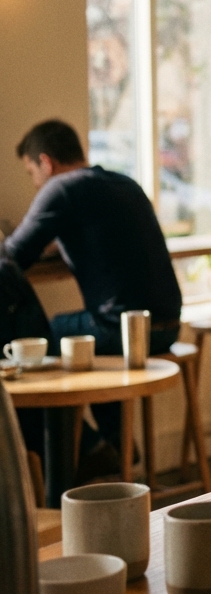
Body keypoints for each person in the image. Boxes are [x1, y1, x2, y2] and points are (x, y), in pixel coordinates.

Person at [2, 119, 181, 470]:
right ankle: (115, 439)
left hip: (126, 333)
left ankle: (88, 448)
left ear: (46, 162)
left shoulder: (62, 189)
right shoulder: (123, 183)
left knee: (45, 336)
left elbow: (12, 256)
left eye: (31, 173)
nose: (35, 183)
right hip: (168, 326)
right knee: (82, 335)